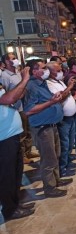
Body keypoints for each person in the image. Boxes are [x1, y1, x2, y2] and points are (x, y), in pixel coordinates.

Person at [24, 59, 73, 198]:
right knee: (48, 158)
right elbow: (29, 110)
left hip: (51, 124)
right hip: (42, 127)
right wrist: (52, 102)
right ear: (34, 71)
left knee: (55, 154)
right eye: (43, 68)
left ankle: (56, 180)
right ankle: (49, 187)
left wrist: (54, 98)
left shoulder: (43, 83)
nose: (46, 70)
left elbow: (45, 100)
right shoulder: (32, 86)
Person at [0, 66, 35, 220]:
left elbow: (15, 96)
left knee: (16, 174)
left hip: (12, 136)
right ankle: (9, 209)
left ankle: (15, 203)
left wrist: (22, 85)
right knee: (6, 176)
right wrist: (25, 78)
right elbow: (9, 99)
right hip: (3, 139)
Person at [1, 53, 37, 164]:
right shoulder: (5, 76)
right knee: (21, 135)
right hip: (15, 108)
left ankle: (28, 151)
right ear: (7, 62)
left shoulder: (18, 73)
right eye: (13, 58)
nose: (16, 60)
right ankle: (22, 156)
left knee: (27, 131)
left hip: (24, 106)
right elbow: (6, 95)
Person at [46, 62, 76, 177]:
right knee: (64, 145)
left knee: (70, 143)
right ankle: (62, 168)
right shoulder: (49, 84)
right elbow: (59, 98)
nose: (61, 72)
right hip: (63, 119)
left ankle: (68, 163)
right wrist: (69, 87)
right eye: (58, 70)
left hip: (70, 117)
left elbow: (67, 94)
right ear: (50, 72)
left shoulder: (59, 81)